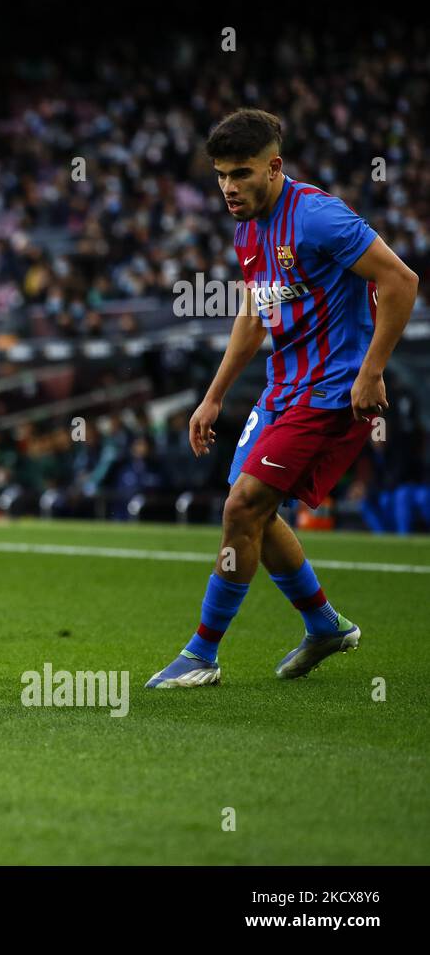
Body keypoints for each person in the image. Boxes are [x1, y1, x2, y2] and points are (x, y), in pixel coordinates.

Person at [147, 109, 420, 688]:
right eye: (221, 175)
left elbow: (401, 280)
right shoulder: (246, 224)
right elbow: (254, 314)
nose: (228, 187)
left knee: (242, 507)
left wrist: (371, 372)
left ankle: (202, 655)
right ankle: (325, 625)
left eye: (241, 173)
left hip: (329, 391)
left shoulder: (319, 217)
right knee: (254, 514)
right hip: (280, 389)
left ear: (274, 167)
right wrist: (213, 397)